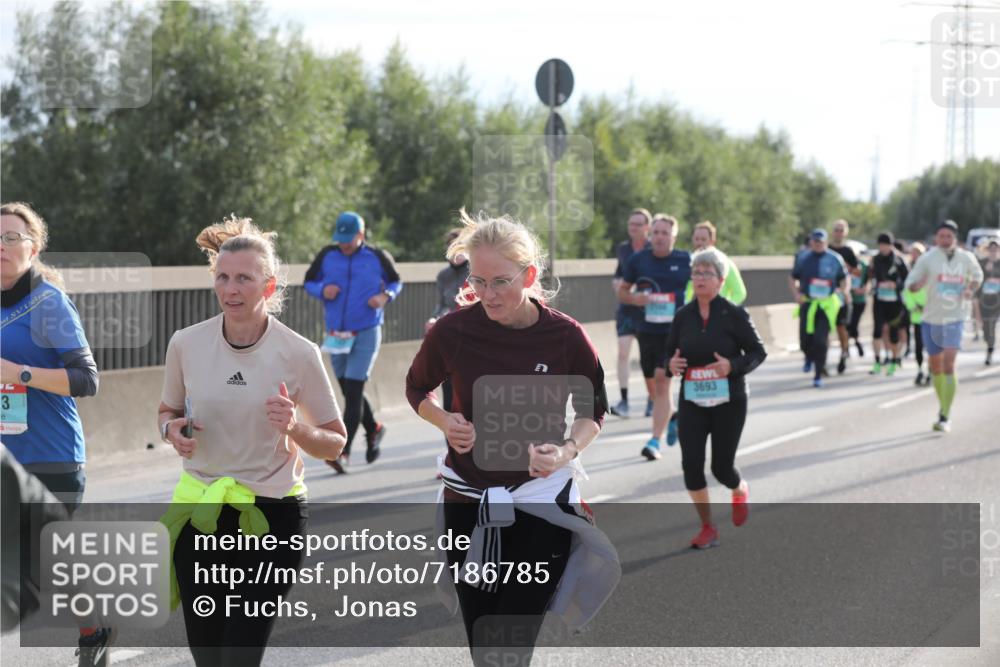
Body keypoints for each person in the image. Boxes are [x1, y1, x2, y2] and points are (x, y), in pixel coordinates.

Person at [405, 210, 615, 666]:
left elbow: (593, 409)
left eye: (500, 281)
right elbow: (416, 387)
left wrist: (565, 451)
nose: (486, 294)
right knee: (485, 648)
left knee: (511, 645)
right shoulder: (453, 330)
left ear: (530, 275)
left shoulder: (565, 336)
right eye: (477, 280)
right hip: (468, 502)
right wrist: (444, 421)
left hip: (540, 503)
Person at [158, 216, 347, 667]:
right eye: (222, 277)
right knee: (208, 655)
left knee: (238, 654)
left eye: (243, 278)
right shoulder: (186, 343)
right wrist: (171, 431)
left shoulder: (299, 353)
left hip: (271, 516)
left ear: (268, 284)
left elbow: (334, 443)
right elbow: (166, 412)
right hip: (201, 515)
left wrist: (295, 429)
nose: (231, 288)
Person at [0, 202, 109, 667]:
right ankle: (94, 629)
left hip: (52, 458)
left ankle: (94, 629)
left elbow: (87, 379)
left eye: (10, 237)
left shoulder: (48, 303)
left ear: (33, 246)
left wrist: (17, 374)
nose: (1, 246)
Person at [667, 248, 766, 549]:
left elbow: (758, 352)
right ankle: (708, 527)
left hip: (730, 400)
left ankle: (739, 489)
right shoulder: (683, 316)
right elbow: (669, 353)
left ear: (722, 280)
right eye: (696, 272)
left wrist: (731, 366)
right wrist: (672, 365)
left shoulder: (734, 314)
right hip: (692, 399)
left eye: (707, 273)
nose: (700, 278)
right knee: (692, 465)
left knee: (721, 468)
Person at [304, 211, 401, 472]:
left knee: (355, 389)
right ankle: (374, 428)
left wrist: (385, 297)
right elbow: (308, 282)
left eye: (349, 239)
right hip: (336, 334)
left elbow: (395, 282)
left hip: (367, 330)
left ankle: (341, 451)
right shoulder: (327, 255)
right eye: (341, 238)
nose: (344, 244)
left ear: (361, 234)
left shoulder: (377, 256)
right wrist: (322, 290)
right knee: (348, 388)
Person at [618, 214, 692, 458]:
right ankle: (672, 416)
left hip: (673, 332)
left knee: (662, 381)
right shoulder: (638, 260)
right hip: (646, 329)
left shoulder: (685, 261)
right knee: (654, 388)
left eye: (665, 233)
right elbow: (622, 292)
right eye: (656, 233)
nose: (660, 237)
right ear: (651, 235)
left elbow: (702, 287)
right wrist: (634, 298)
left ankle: (654, 441)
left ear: (674, 236)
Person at [904, 220, 983, 432]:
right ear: (936, 238)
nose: (945, 239)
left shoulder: (966, 258)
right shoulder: (927, 258)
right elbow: (910, 283)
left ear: (955, 238)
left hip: (955, 317)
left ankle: (945, 415)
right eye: (941, 236)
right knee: (936, 367)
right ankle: (942, 405)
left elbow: (977, 277)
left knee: (949, 364)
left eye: (949, 236)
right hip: (931, 318)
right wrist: (916, 286)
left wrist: (970, 289)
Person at [789, 229, 848, 388]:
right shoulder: (803, 258)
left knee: (821, 341)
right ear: (811, 243)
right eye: (815, 242)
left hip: (826, 305)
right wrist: (796, 294)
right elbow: (792, 277)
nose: (817, 244)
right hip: (808, 303)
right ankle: (808, 356)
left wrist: (842, 291)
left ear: (826, 243)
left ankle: (818, 374)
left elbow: (844, 279)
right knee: (805, 341)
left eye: (820, 242)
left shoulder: (835, 259)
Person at [426, 228, 470, 432]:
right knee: (449, 397)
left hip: (471, 339)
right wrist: (434, 318)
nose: (455, 252)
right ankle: (453, 444)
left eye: (460, 246)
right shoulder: (443, 276)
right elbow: (442, 304)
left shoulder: (477, 271)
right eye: (451, 247)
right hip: (448, 341)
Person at [609, 208, 651, 418]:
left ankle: (652, 400)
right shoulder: (623, 249)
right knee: (623, 353)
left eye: (637, 224)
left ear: (647, 227)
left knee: (647, 357)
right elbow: (619, 274)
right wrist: (617, 284)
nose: (633, 228)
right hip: (626, 310)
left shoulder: (654, 248)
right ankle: (624, 400)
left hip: (648, 311)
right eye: (630, 224)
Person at [868, 232, 909, 377]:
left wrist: (895, 285)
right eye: (881, 245)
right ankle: (877, 361)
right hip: (879, 300)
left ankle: (893, 360)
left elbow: (907, 280)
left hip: (895, 302)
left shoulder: (899, 260)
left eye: (885, 245)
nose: (883, 248)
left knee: (893, 332)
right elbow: (869, 276)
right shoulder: (875, 260)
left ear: (891, 245)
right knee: (877, 330)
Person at [684, 220, 748, 305]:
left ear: (712, 241)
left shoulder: (724, 263)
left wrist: (725, 309)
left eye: (703, 239)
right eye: (696, 239)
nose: (699, 243)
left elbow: (739, 293)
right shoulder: (688, 264)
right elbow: (687, 292)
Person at [828, 219, 860, 374]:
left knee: (841, 328)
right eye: (836, 229)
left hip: (843, 295)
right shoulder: (826, 249)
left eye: (841, 230)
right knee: (824, 328)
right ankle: (821, 360)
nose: (838, 233)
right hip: (826, 296)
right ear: (832, 231)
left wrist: (847, 269)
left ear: (845, 233)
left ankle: (843, 353)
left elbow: (858, 271)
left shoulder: (848, 251)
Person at [903, 242, 931, 385]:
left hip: (931, 314)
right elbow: (906, 291)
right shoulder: (911, 271)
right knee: (919, 346)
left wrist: (928, 306)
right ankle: (920, 370)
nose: (915, 256)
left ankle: (931, 370)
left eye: (918, 253)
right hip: (917, 315)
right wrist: (912, 306)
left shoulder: (930, 270)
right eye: (913, 253)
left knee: (931, 346)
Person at [977, 238, 1000, 365]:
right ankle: (988, 342)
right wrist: (986, 271)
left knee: (992, 324)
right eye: (991, 249)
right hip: (984, 300)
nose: (993, 252)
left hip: (997, 301)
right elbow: (977, 280)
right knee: (985, 328)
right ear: (987, 250)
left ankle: (989, 353)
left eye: (995, 249)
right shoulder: (982, 263)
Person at [848, 254, 870, 358]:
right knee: (846, 325)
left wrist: (864, 289)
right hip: (847, 300)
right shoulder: (845, 265)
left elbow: (868, 280)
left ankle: (857, 343)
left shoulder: (864, 266)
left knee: (854, 324)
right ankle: (849, 347)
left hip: (860, 300)